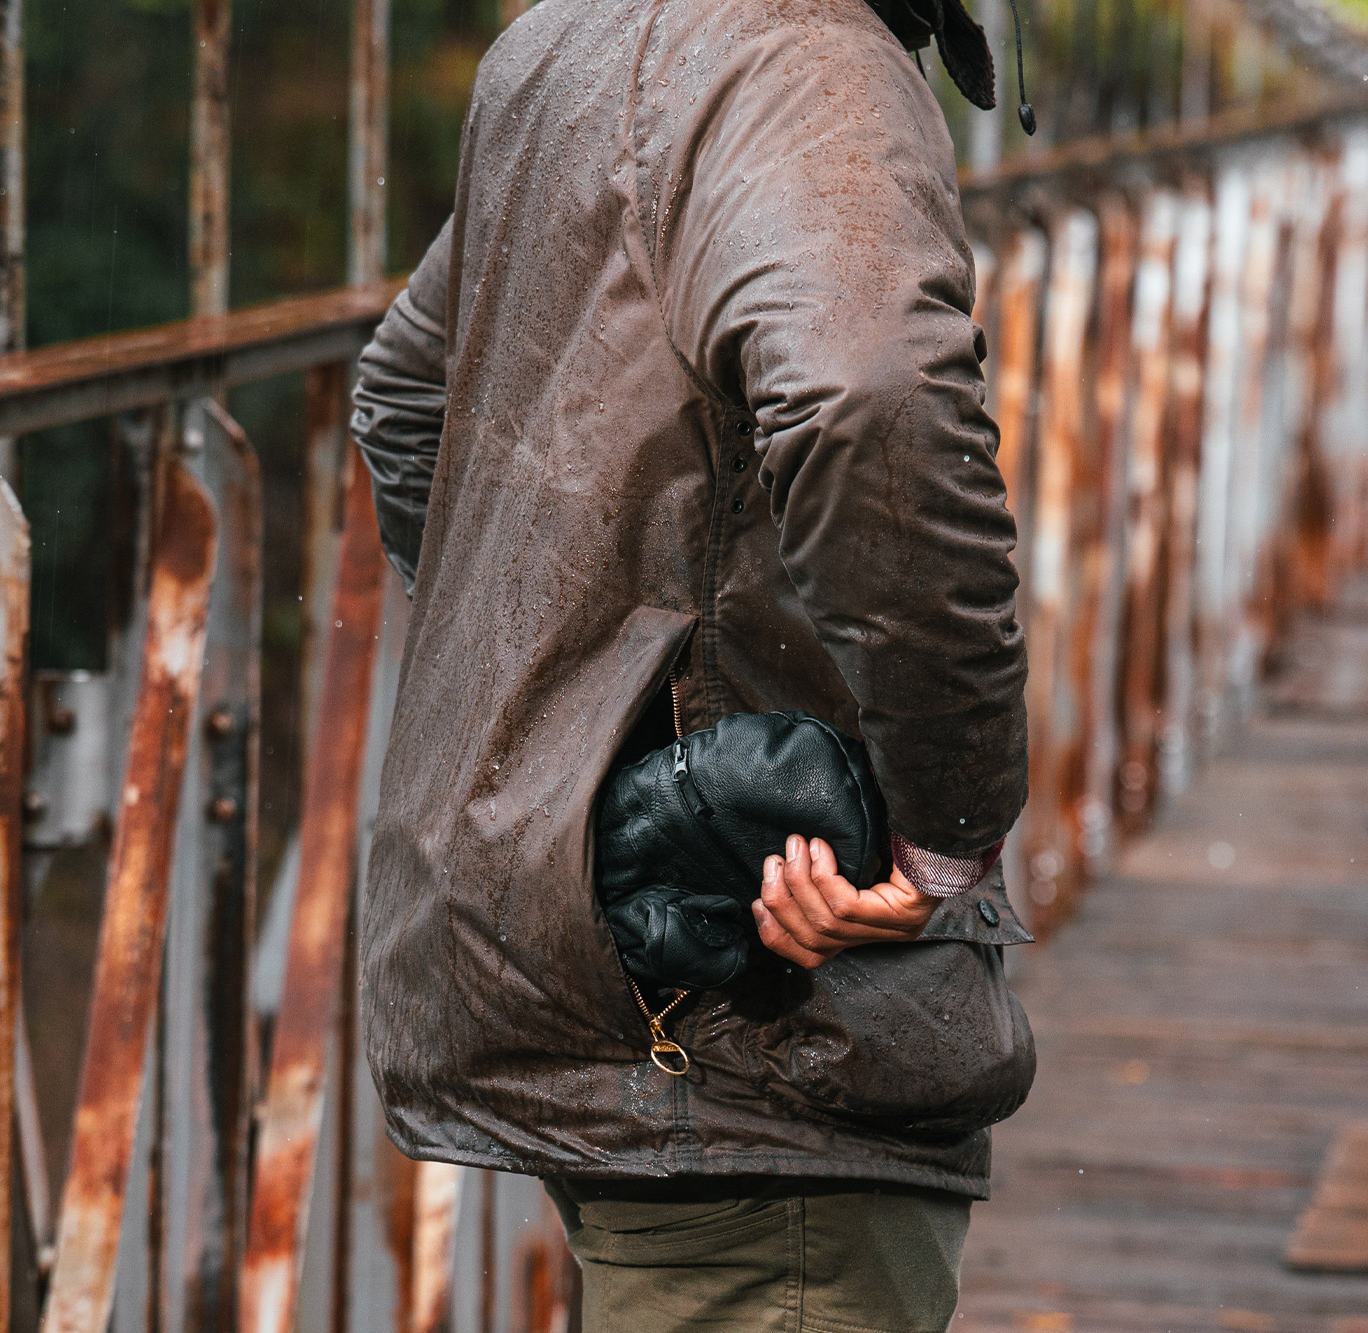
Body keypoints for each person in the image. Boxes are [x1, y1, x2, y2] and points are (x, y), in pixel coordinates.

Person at [349, 0, 1033, 1325]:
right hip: (755, 1012)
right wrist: (943, 836)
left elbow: (404, 401)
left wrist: (567, 751)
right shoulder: (808, 59)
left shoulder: (565, 43)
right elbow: (867, 397)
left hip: (628, 969)